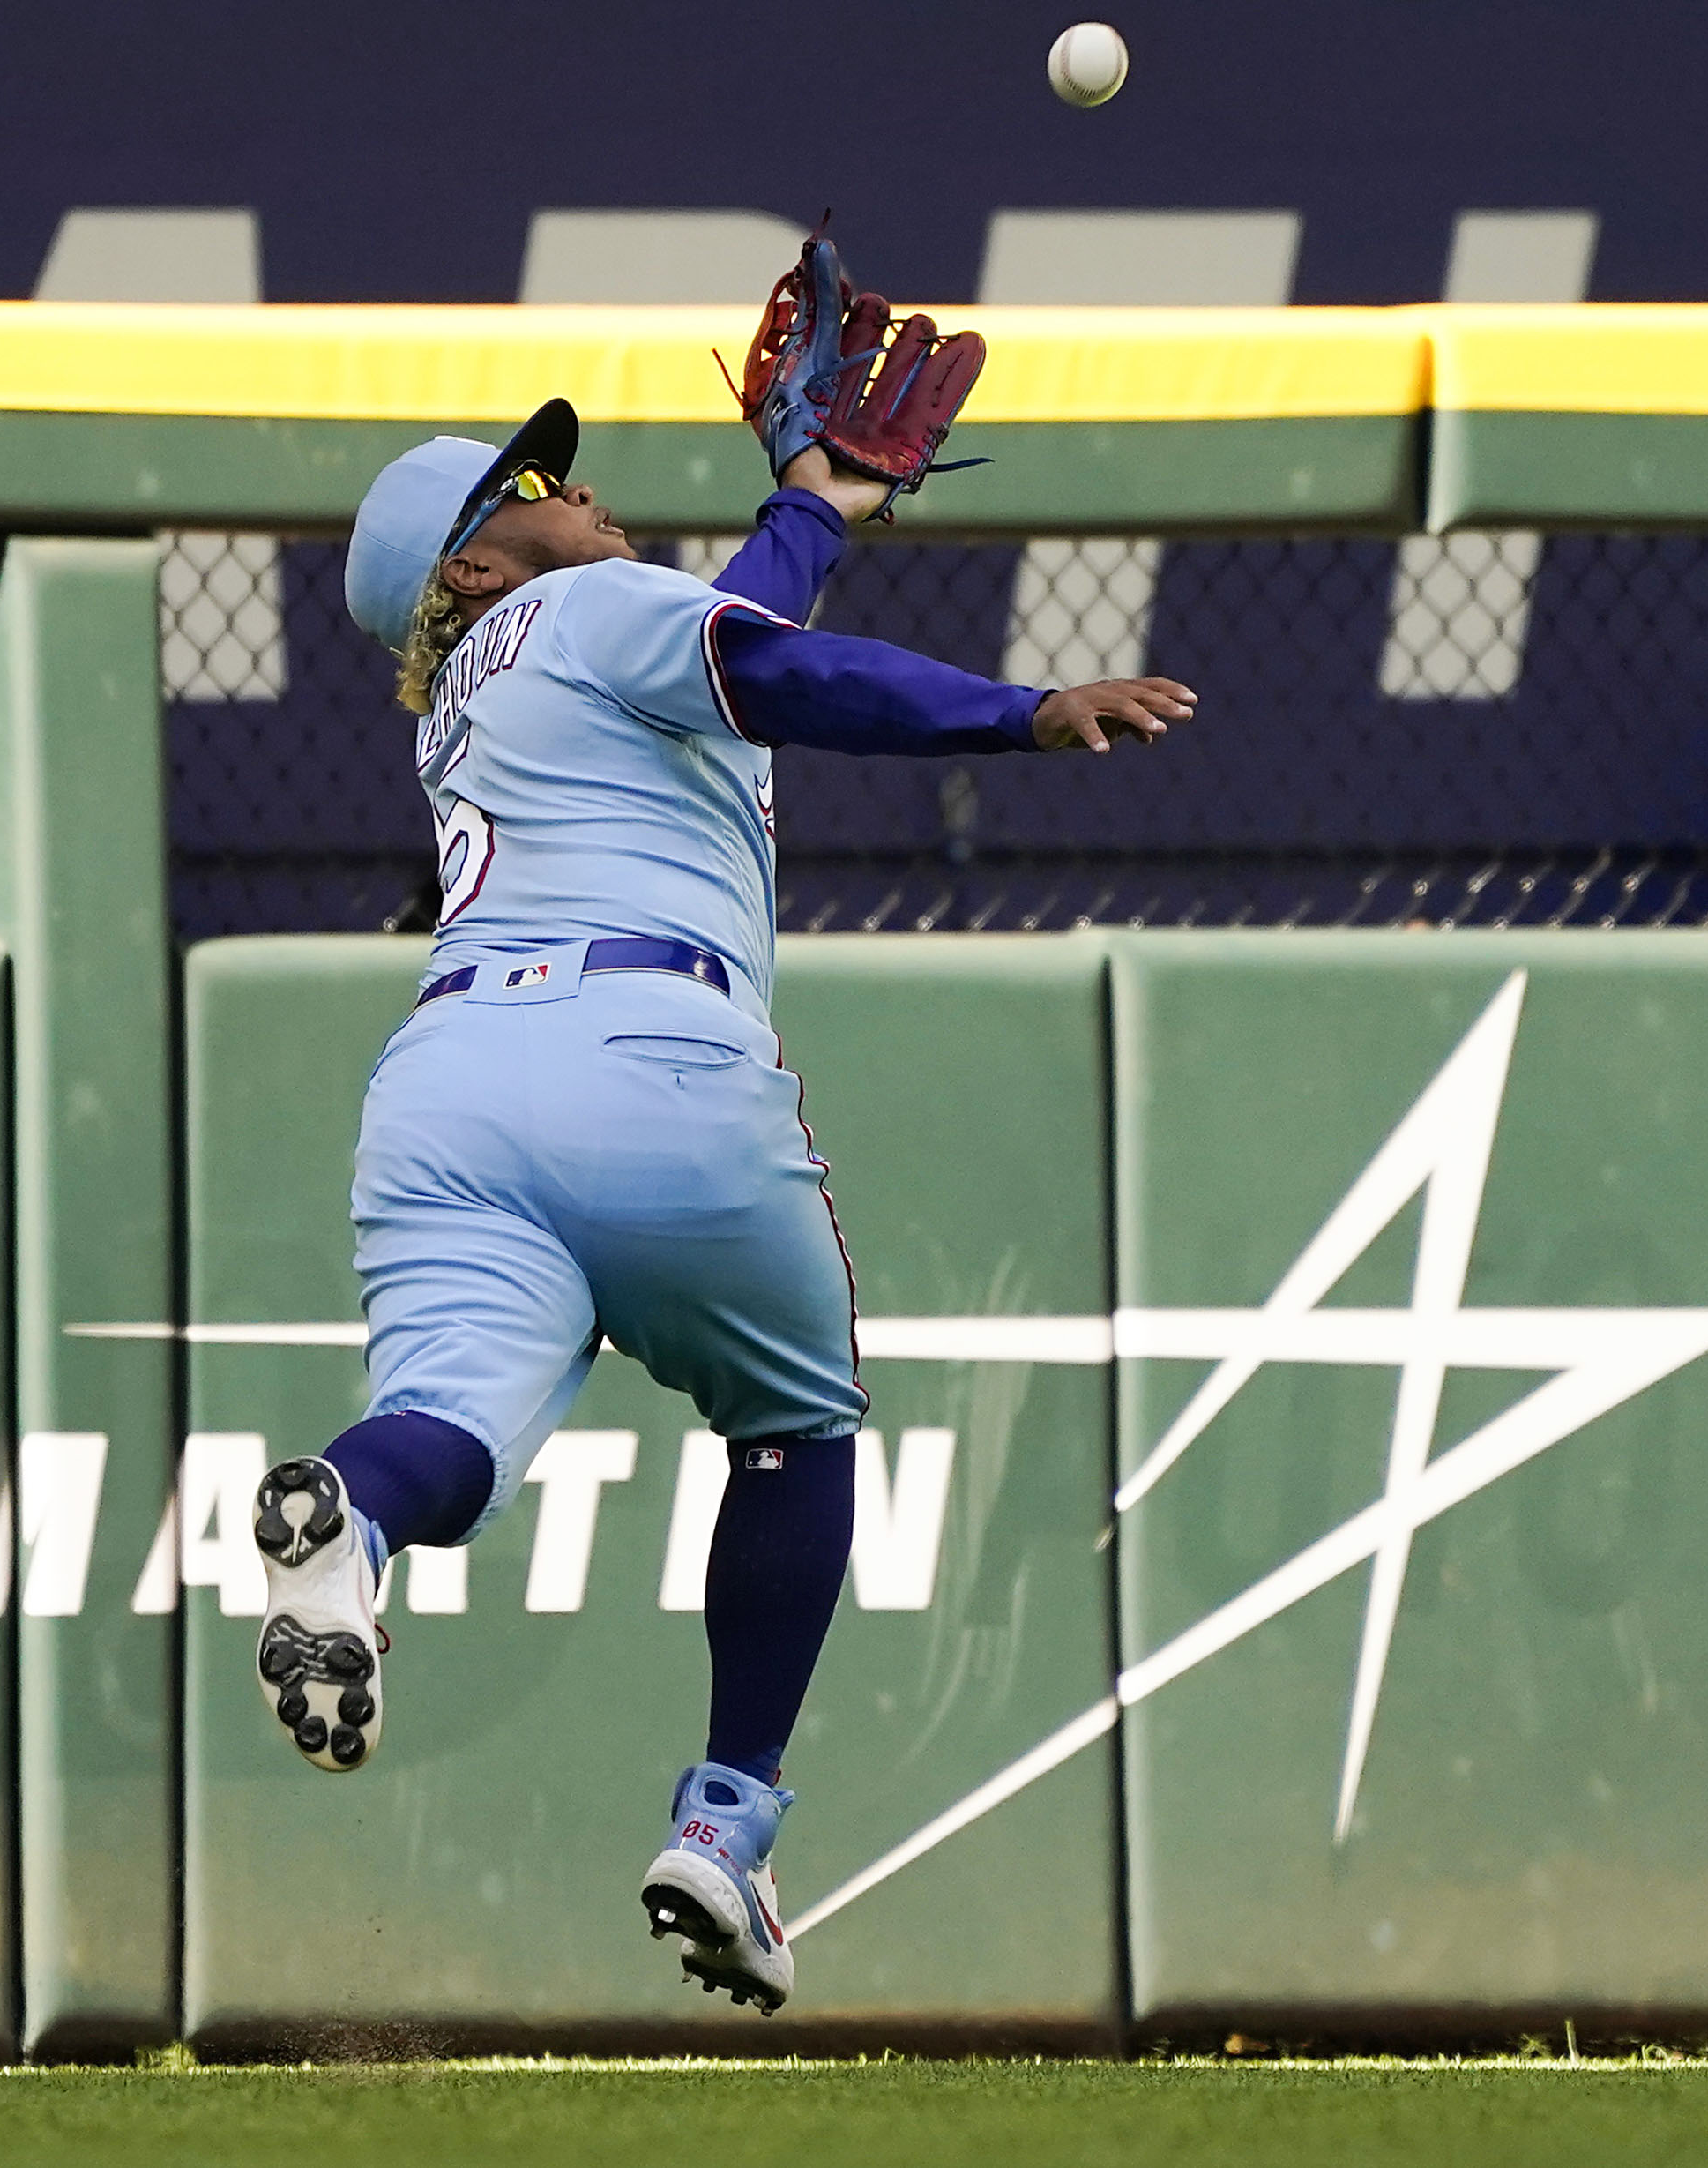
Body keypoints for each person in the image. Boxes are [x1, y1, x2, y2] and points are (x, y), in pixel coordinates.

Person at [250, 382, 1194, 2015]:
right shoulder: (588, 607)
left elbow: (734, 623)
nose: (578, 484)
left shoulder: (474, 686)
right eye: (533, 481)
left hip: (451, 1083)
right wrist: (1018, 710)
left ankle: (348, 1527)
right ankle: (725, 1819)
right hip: (648, 1052)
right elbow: (776, 664)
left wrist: (818, 503)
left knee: (446, 1439)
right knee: (793, 1424)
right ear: (470, 568)